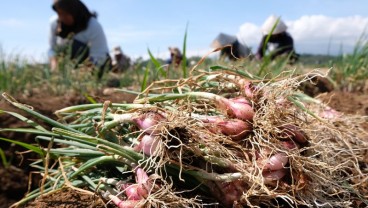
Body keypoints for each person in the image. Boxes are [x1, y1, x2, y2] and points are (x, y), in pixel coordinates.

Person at [48, 0, 111, 79]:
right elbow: (52, 49)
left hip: (92, 67)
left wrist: (80, 73)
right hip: (68, 69)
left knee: (75, 46)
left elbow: (99, 56)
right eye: (59, 13)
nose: (62, 17)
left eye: (66, 14)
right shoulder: (55, 23)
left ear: (74, 11)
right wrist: (55, 66)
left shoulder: (93, 26)